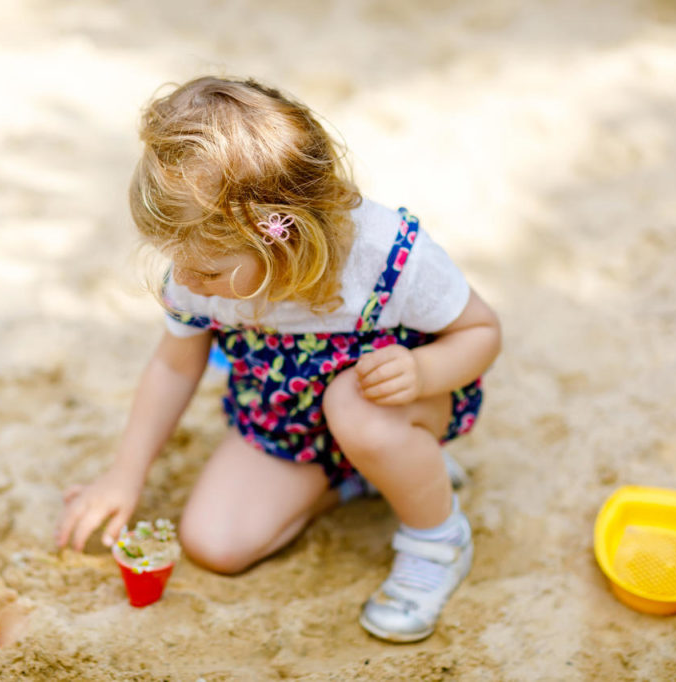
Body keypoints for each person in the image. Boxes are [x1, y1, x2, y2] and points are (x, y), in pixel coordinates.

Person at [57, 76, 501, 642]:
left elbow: (482, 331)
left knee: (356, 406)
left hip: (396, 406)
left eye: (210, 271)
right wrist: (124, 476)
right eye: (177, 260)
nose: (187, 280)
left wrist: (422, 372)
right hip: (289, 428)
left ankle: (437, 540)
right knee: (215, 546)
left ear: (283, 241)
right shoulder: (202, 266)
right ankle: (361, 481)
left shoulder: (385, 255)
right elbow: (175, 365)